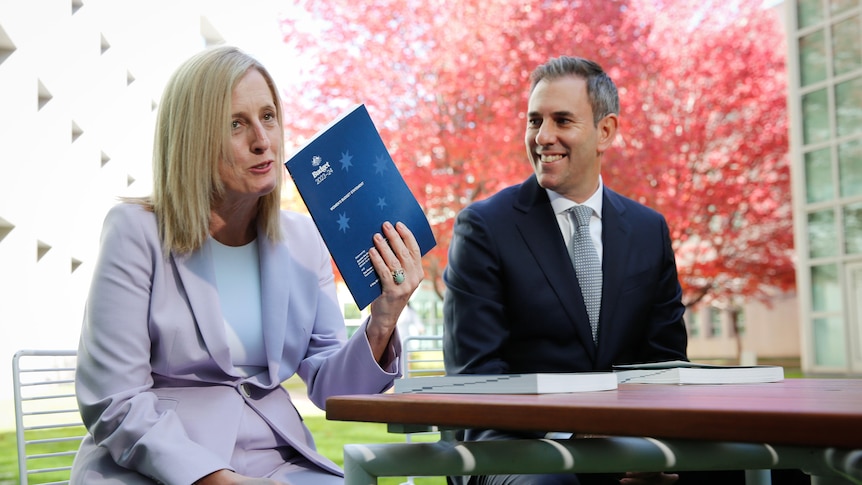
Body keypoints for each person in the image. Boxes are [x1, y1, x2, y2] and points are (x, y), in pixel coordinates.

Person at [71, 45, 424, 485]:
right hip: (157, 467)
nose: (262, 140)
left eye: (268, 116)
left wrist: (383, 318)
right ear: (192, 138)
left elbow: (332, 390)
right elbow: (115, 401)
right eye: (236, 124)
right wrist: (217, 480)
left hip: (276, 461)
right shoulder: (134, 232)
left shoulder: (303, 239)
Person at [442, 56, 688, 485]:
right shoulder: (484, 227)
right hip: (511, 443)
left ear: (605, 131)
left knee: (766, 462)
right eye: (534, 121)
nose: (543, 136)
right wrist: (578, 436)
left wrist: (651, 441)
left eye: (562, 120)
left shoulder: (650, 230)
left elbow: (665, 364)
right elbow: (477, 377)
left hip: (626, 439)